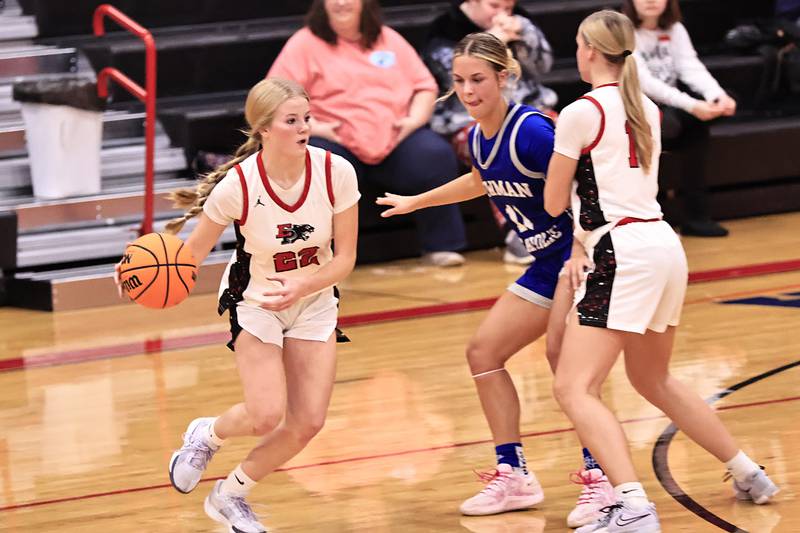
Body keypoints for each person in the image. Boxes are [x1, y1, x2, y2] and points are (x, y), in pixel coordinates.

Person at [543, 10, 779, 532]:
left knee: (573, 387)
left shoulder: (580, 112)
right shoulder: (643, 106)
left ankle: (631, 506)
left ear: (587, 50)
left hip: (621, 249)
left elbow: (555, 199)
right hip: (663, 244)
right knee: (653, 378)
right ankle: (748, 473)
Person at [377, 32, 614, 525]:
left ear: (504, 77)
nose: (467, 90)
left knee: (565, 365)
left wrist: (579, 247)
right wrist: (417, 201)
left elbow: (585, 180)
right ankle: (514, 475)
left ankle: (603, 479)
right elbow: (481, 177)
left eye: (478, 80)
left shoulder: (531, 130)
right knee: (483, 353)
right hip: (544, 265)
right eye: (459, 81)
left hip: (580, 260)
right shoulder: (479, 136)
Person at [120, 78, 360, 533]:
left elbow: (345, 259)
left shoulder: (336, 173)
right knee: (266, 413)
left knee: (308, 422)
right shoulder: (240, 186)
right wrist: (136, 275)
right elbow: (188, 257)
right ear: (265, 128)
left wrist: (303, 285)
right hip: (255, 301)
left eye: (306, 118)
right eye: (292, 121)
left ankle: (229, 495)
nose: (304, 128)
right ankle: (205, 435)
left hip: (313, 301)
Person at [267, 0, 467, 267]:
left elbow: (424, 86)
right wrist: (316, 127)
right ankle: (322, 256)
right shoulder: (304, 43)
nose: (341, 3)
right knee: (322, 163)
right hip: (335, 140)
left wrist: (413, 120)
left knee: (434, 154)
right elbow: (275, 98)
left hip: (394, 140)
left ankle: (441, 246)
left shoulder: (388, 38)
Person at [423, 0, 557, 265]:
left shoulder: (519, 20)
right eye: (494, 5)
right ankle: (518, 233)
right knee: (501, 148)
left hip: (531, 109)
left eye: (508, 5)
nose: (503, 12)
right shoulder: (444, 29)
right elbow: (453, 78)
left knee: (569, 139)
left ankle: (580, 217)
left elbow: (545, 65)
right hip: (468, 120)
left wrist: (525, 33)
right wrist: (491, 44)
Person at [622, 0, 733, 238]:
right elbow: (645, 83)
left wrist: (717, 96)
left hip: (670, 111)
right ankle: (655, 220)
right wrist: (693, 106)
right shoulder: (624, 31)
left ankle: (697, 217)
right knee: (678, 122)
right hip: (636, 111)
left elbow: (690, 66)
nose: (651, 1)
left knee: (697, 127)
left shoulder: (675, 29)